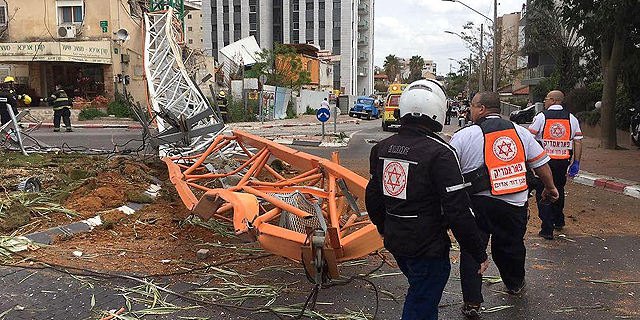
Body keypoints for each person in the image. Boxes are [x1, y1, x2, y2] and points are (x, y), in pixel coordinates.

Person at [366, 80, 489, 320]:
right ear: (438, 110)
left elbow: (373, 196)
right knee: (421, 299)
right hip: (427, 246)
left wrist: (383, 228)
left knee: (420, 291)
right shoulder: (441, 153)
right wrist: (478, 252)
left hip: (397, 241)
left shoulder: (382, 148)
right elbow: (457, 209)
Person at [450, 91, 559, 318]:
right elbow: (541, 165)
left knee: (472, 249)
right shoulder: (521, 133)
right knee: (511, 246)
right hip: (513, 204)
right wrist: (550, 188)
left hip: (476, 205)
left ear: (481, 109)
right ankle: (514, 283)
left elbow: (449, 172)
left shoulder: (463, 135)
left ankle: (472, 302)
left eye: (471, 106)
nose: (469, 110)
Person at [528, 90, 583, 240]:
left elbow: (530, 138)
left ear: (553, 100)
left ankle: (547, 228)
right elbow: (577, 141)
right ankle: (558, 220)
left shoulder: (541, 117)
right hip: (562, 162)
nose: (545, 101)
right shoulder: (571, 118)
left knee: (543, 191)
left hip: (544, 162)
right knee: (558, 188)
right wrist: (576, 162)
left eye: (546, 99)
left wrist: (529, 159)